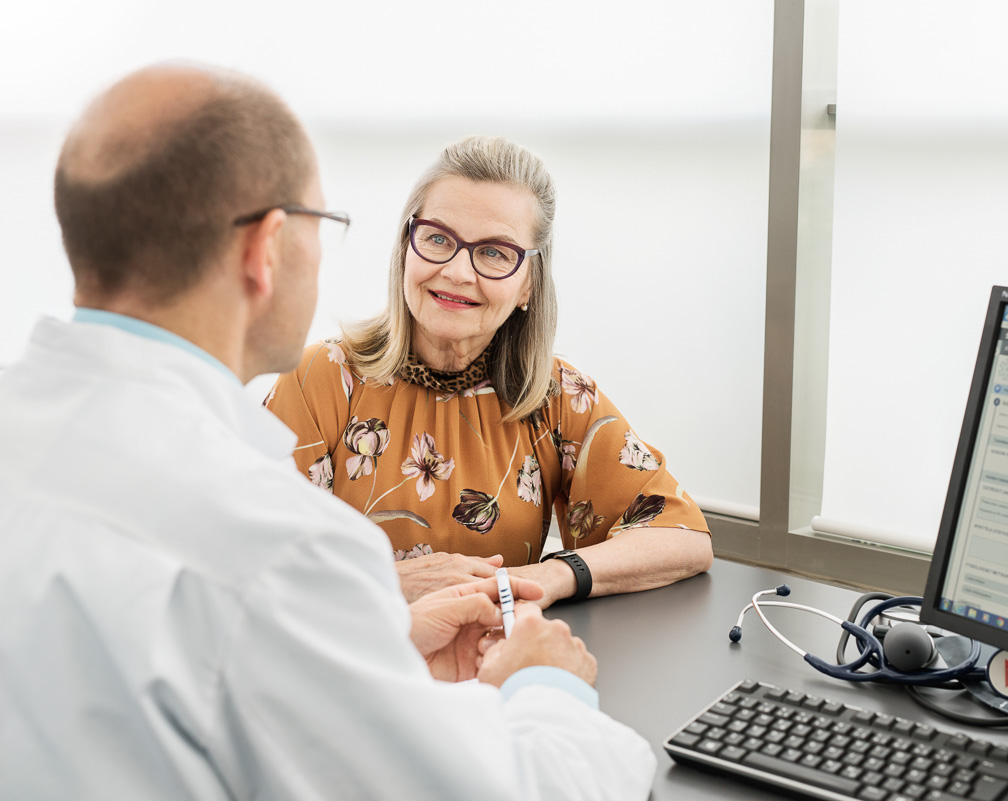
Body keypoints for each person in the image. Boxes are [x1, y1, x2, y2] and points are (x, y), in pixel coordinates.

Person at [0, 63, 655, 800]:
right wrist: (546, 685)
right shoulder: (278, 544)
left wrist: (376, 648)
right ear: (267, 250)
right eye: (322, 223)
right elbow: (510, 790)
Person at [266, 135, 714, 606]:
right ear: (406, 250)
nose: (458, 272)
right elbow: (248, 556)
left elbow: (683, 537)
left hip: (496, 666)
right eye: (438, 239)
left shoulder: (555, 395)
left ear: (528, 287)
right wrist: (388, 583)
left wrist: (551, 577)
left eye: (494, 252)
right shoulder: (321, 376)